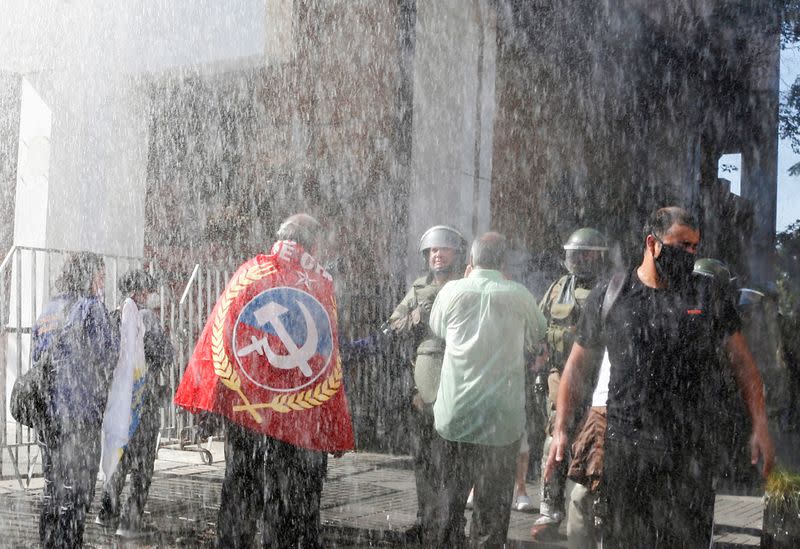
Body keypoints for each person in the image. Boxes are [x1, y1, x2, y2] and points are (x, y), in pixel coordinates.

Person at [545, 207, 774, 547]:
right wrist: (561, 429)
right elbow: (576, 367)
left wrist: (760, 427)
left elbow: (744, 364)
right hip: (627, 454)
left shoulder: (707, 295)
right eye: (682, 245)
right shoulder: (611, 295)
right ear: (652, 244)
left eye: (695, 247)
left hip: (690, 456)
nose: (690, 254)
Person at [174, 213, 355, 549]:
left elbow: (220, 337)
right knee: (290, 510)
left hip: (249, 416)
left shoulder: (250, 272)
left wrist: (214, 400)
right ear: (313, 244)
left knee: (240, 497)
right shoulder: (318, 285)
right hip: (299, 427)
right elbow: (327, 363)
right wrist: (331, 424)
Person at [429, 232, 547, 547]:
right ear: (504, 263)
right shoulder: (519, 295)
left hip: (456, 418)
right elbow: (540, 333)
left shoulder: (451, 291)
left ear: (471, 261)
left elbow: (438, 329)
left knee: (448, 506)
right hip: (501, 422)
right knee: (492, 515)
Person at [384, 224, 466, 543]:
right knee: (424, 458)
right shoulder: (418, 289)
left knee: (453, 459)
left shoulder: (465, 286)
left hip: (458, 375)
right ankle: (425, 517)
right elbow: (392, 326)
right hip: (424, 380)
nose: (437, 254)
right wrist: (417, 315)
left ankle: (451, 521)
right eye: (432, 250)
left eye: (444, 249)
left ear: (457, 254)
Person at [33, 252, 118, 548]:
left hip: (47, 417)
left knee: (53, 490)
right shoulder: (91, 309)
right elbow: (110, 353)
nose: (102, 283)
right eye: (100, 277)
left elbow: (38, 360)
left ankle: (49, 543)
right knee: (78, 492)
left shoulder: (48, 310)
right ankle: (70, 543)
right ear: (87, 277)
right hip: (79, 417)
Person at [531, 227, 608, 540]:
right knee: (553, 443)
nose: (580, 259)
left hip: (597, 382)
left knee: (593, 449)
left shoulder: (611, 287)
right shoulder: (557, 288)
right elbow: (540, 327)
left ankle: (595, 512)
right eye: (576, 253)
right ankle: (549, 512)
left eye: (587, 253)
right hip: (559, 378)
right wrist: (537, 364)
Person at [96, 269, 173, 537]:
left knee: (121, 454)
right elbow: (165, 353)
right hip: (144, 400)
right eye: (147, 291)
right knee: (143, 465)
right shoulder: (145, 317)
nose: (149, 296)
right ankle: (130, 521)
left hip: (120, 403)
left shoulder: (113, 315)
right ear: (141, 292)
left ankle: (106, 510)